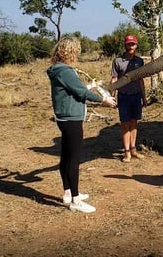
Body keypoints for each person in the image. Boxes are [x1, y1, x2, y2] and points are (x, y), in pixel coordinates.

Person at [47, 36, 117, 213]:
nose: (77, 54)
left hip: (64, 117)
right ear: (70, 52)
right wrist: (104, 100)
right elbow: (79, 93)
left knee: (66, 156)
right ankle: (76, 201)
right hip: (71, 118)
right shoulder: (66, 71)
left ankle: (68, 193)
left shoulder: (58, 70)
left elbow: (72, 89)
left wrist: (89, 85)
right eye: (76, 51)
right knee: (73, 159)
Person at [110, 34, 148, 163]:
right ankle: (126, 152)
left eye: (133, 44)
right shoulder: (117, 61)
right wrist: (112, 96)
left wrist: (144, 97)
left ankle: (133, 149)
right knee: (125, 125)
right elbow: (114, 79)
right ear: (125, 45)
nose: (131, 46)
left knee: (134, 123)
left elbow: (141, 80)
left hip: (136, 96)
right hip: (124, 96)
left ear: (136, 45)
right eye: (129, 44)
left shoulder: (139, 61)